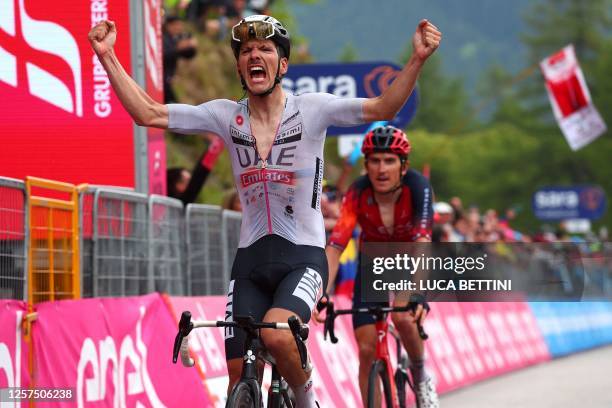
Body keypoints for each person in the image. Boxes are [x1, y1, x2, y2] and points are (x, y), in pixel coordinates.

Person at [88, 15, 441, 407]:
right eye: (246, 51)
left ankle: (309, 402)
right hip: (250, 262)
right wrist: (107, 57)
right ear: (239, 66)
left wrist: (417, 60)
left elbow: (383, 106)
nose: (255, 55)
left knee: (276, 333)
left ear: (282, 65)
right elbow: (149, 113)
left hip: (303, 258)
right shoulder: (225, 116)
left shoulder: (314, 110)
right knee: (238, 372)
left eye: (265, 49)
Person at [319, 125, 439, 407]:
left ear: (403, 165)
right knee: (365, 348)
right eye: (374, 160)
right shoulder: (357, 192)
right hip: (372, 264)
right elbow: (335, 245)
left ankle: (421, 376)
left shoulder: (418, 187)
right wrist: (321, 292)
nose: (381, 168)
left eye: (389, 160)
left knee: (402, 316)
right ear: (366, 164)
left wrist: (418, 293)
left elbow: (423, 242)